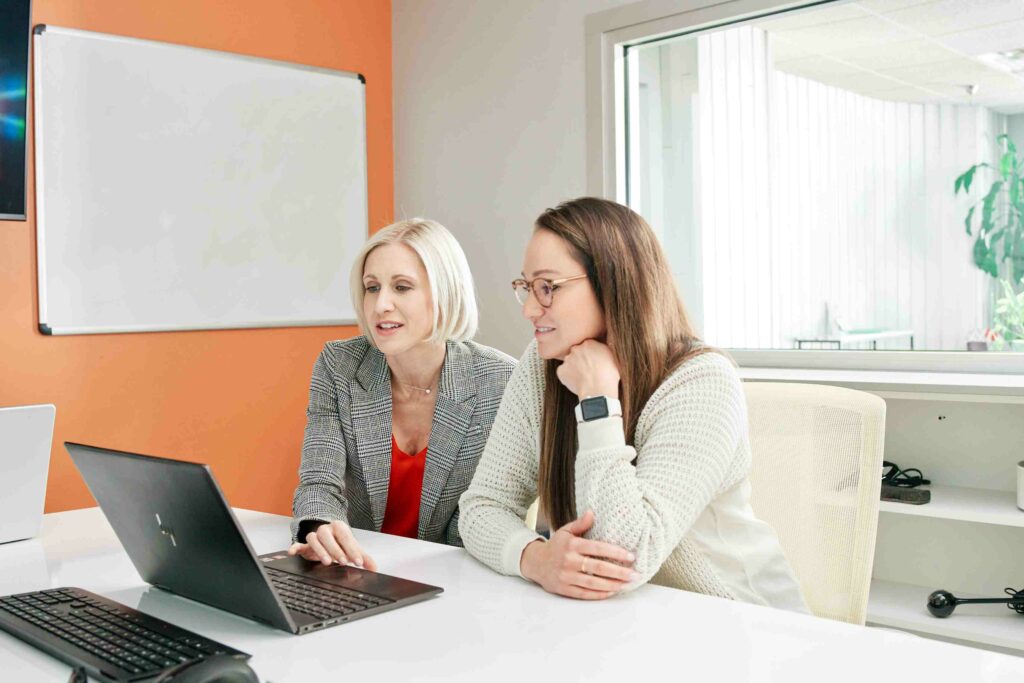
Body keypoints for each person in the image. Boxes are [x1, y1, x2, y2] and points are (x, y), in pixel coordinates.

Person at [458, 197, 807, 611]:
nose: (531, 309)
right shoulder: (542, 365)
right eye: (527, 287)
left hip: (739, 619)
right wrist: (534, 558)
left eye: (548, 287)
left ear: (613, 283)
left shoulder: (702, 381)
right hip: (621, 620)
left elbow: (626, 553)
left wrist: (597, 401)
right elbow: (482, 507)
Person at [289, 218, 516, 570]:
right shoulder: (339, 365)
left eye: (402, 287)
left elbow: (490, 511)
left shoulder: (498, 381)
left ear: (444, 293)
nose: (381, 305)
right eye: (372, 287)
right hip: (359, 572)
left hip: (458, 577)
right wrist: (320, 529)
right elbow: (319, 481)